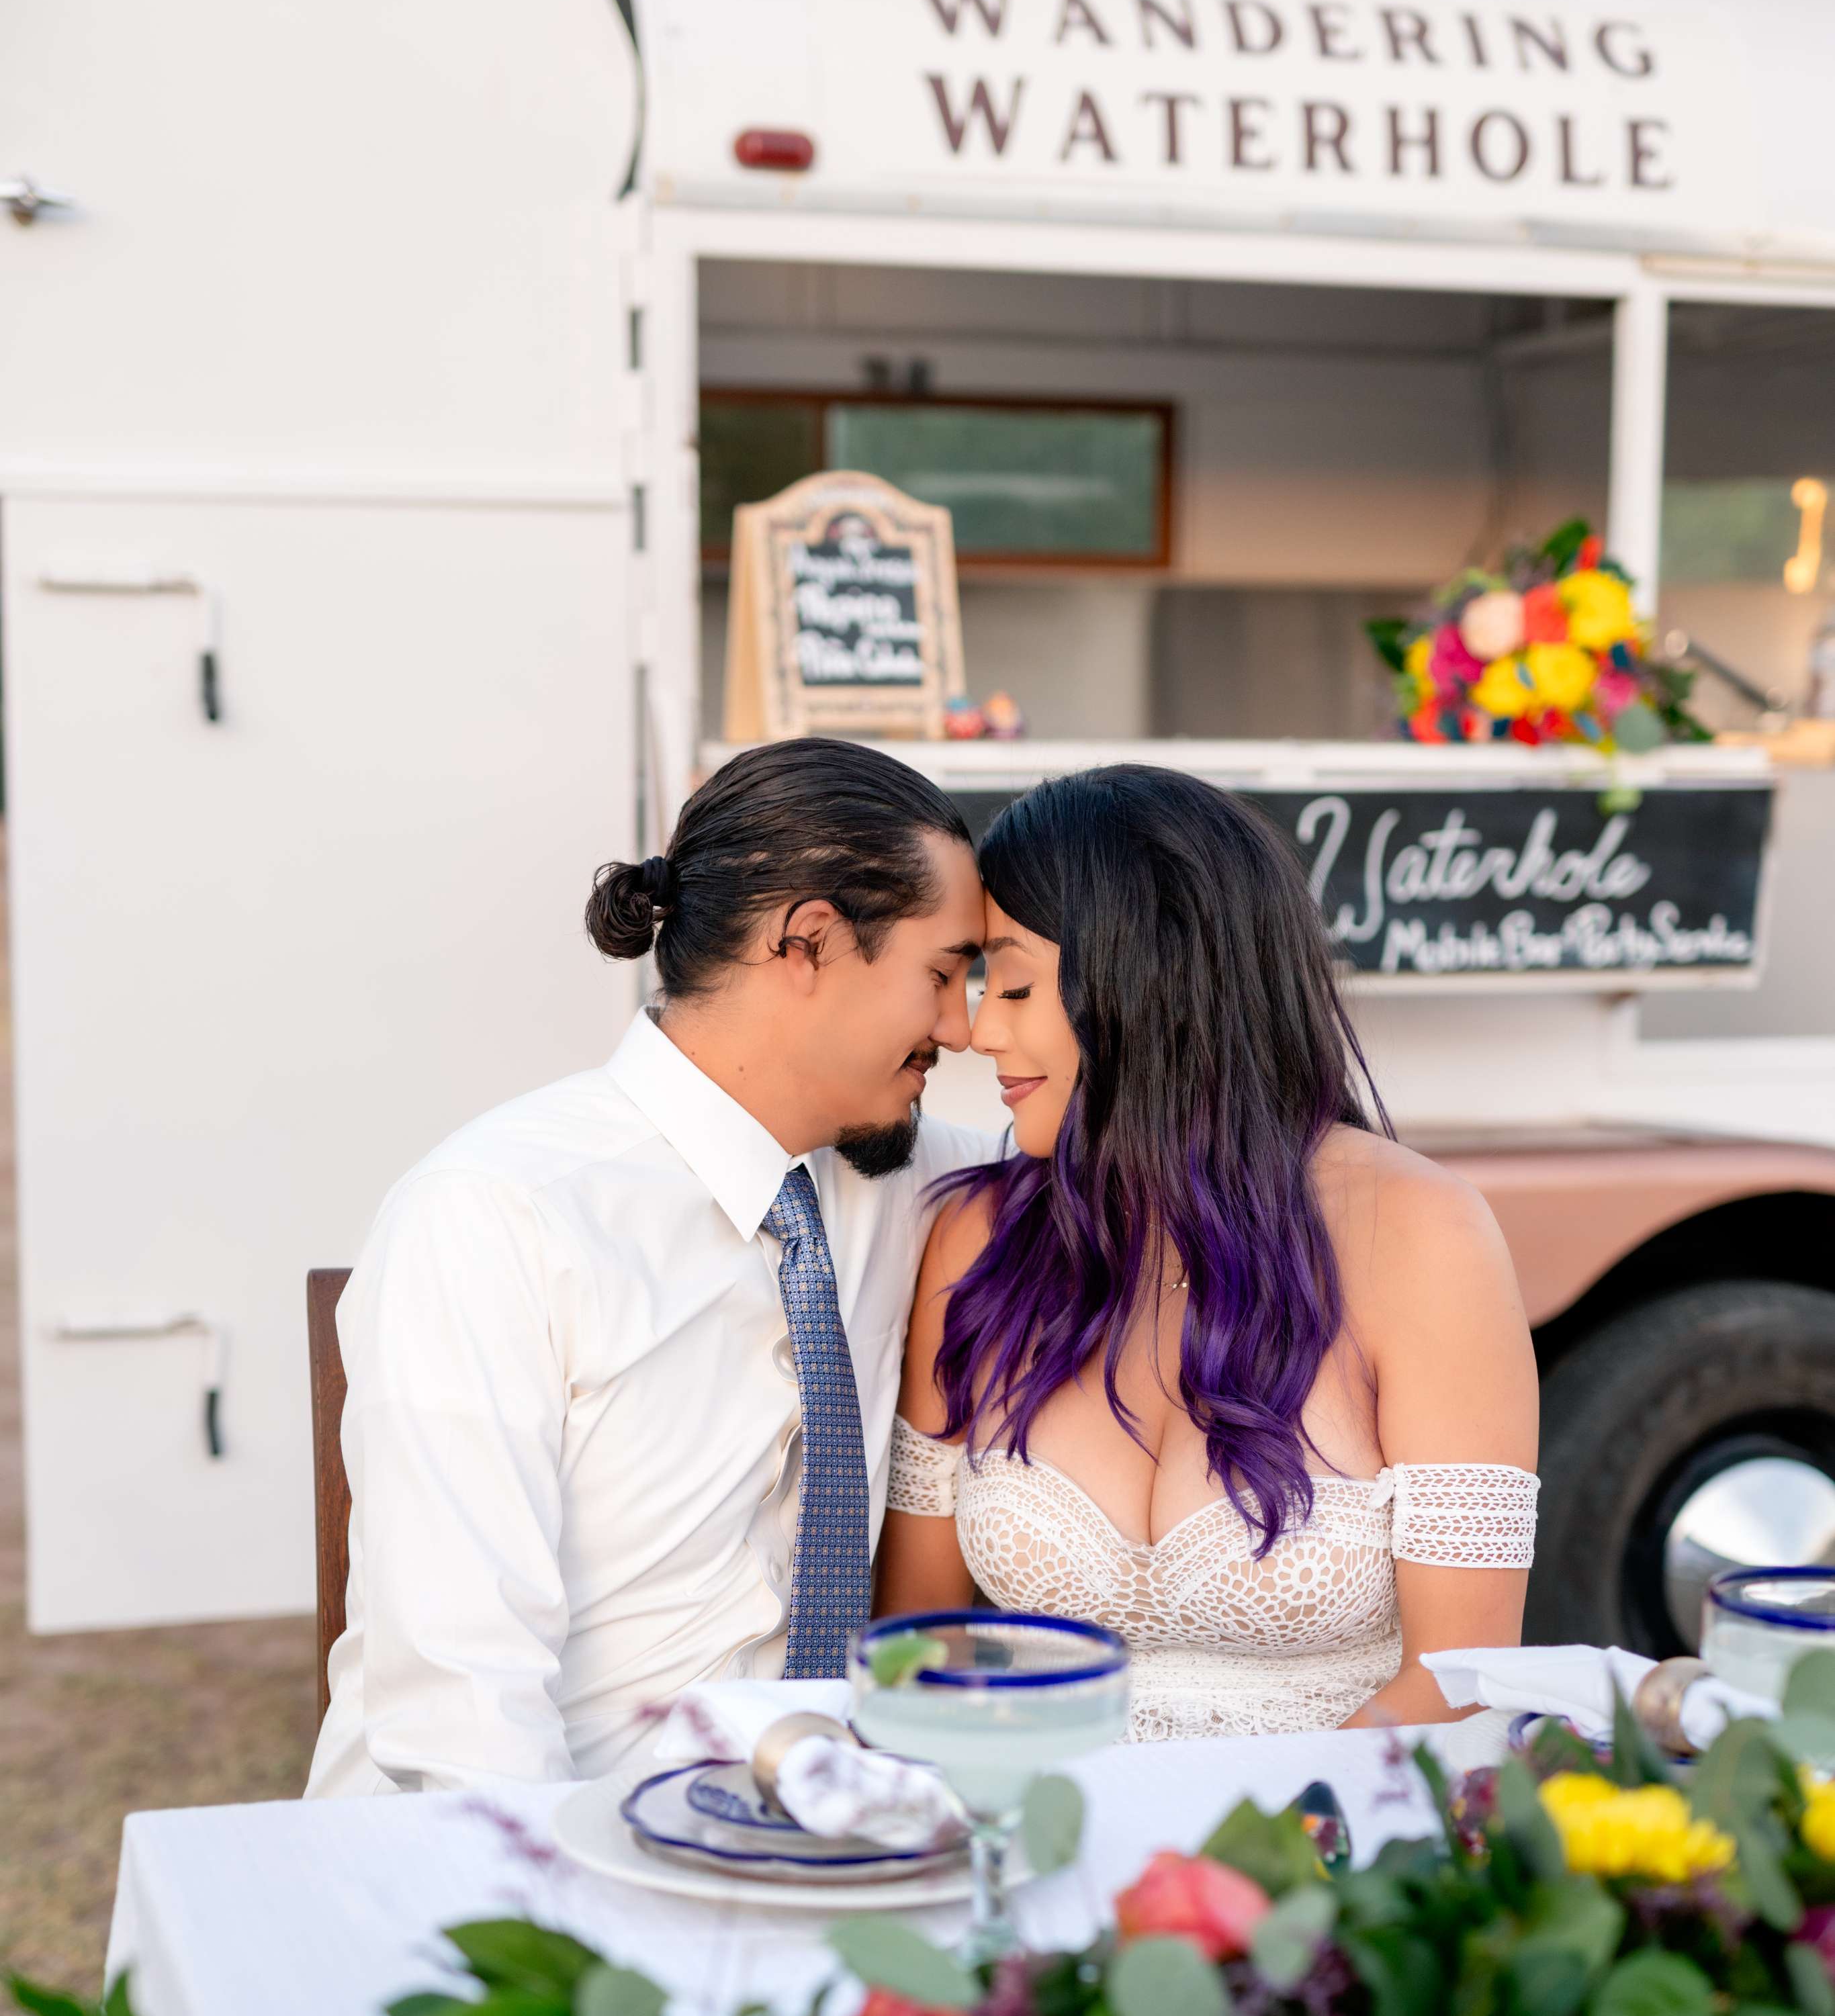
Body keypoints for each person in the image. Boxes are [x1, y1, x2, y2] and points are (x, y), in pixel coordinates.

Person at [308, 737, 988, 1802]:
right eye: (942, 974)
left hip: (819, 1838)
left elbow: (1146, 1167)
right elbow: (461, 1710)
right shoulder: (497, 1216)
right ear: (807, 941)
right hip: (524, 1858)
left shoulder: (921, 1184)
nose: (963, 1027)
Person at [875, 764, 1539, 1739]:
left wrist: (1230, 1872)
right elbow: (919, 1642)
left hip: (1323, 1864)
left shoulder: (1423, 1234)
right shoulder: (975, 1241)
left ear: (1152, 978)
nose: (978, 1030)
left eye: (1012, 982)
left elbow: (1463, 1680)